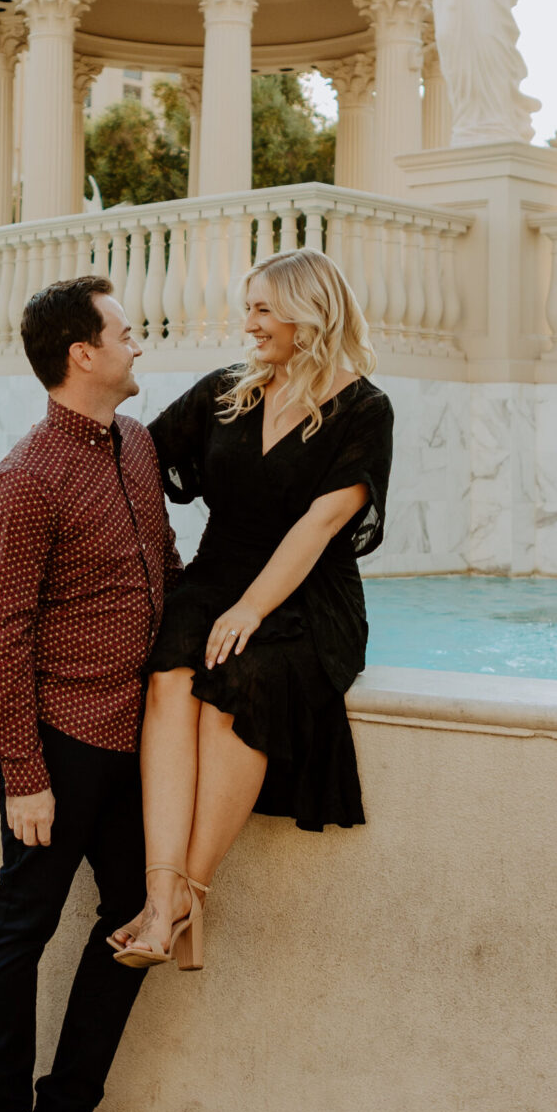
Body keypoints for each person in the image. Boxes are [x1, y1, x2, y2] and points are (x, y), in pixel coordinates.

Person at [108, 248, 393, 970]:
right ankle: (160, 887)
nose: (250, 323)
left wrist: (251, 610)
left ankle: (182, 899)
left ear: (309, 311)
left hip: (305, 594)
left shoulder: (364, 407)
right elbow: (136, 456)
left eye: (264, 308)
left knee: (239, 684)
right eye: (250, 308)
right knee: (171, 675)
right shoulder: (224, 391)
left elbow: (320, 525)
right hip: (213, 576)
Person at [0, 275, 178, 1112]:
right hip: (60, 741)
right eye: (125, 333)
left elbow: (167, 569)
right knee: (22, 928)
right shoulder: (24, 480)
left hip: (142, 738)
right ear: (81, 354)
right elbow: (2, 634)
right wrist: (24, 775)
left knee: (139, 917)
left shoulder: (135, 444)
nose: (139, 345)